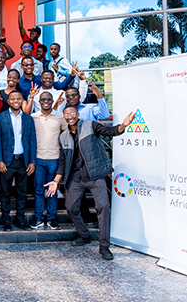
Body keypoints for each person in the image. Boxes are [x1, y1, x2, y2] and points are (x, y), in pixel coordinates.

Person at [46, 107, 135, 260]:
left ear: (78, 114)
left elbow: (110, 131)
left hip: (95, 174)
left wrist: (124, 125)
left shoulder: (90, 125)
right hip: (75, 176)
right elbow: (62, 161)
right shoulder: (63, 136)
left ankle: (104, 245)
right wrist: (55, 181)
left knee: (104, 206)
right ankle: (84, 235)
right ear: (64, 117)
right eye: (66, 115)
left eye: (72, 114)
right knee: (71, 207)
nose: (70, 117)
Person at [0, 90, 37, 231]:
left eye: (18, 99)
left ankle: (20, 220)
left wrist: (32, 161)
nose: (16, 101)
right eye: (13, 99)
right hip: (7, 161)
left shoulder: (28, 119)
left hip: (23, 161)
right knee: (5, 192)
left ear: (22, 101)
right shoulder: (0, 118)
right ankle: (6, 220)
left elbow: (32, 141)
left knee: (22, 192)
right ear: (8, 101)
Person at [31, 91, 67, 230]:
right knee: (39, 190)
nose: (46, 101)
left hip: (54, 158)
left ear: (53, 101)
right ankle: (38, 217)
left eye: (49, 99)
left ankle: (52, 218)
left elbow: (66, 134)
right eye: (43, 99)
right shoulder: (33, 117)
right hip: (38, 159)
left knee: (53, 190)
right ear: (39, 102)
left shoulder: (60, 117)